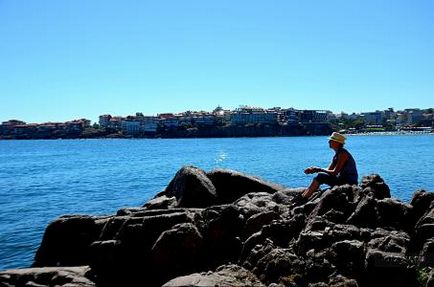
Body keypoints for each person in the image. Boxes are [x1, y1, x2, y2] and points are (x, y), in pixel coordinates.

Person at [302, 132, 358, 198]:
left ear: (337, 142)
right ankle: (303, 196)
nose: (329, 142)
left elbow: (334, 173)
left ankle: (304, 197)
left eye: (331, 141)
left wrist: (317, 169)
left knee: (320, 176)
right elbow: (329, 170)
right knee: (319, 176)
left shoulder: (343, 154)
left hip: (348, 182)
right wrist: (314, 169)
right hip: (342, 180)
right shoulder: (337, 155)